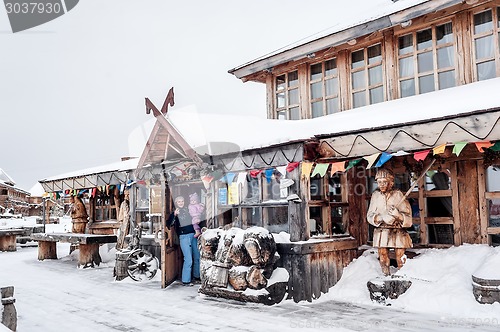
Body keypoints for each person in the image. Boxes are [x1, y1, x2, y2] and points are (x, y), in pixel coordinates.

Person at [367, 168, 413, 276]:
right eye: (379, 182)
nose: (381, 185)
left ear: (391, 182)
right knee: (382, 254)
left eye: (384, 182)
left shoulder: (398, 195)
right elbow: (369, 216)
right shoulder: (375, 196)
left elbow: (409, 218)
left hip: (397, 230)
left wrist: (398, 215)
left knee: (400, 255)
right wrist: (381, 217)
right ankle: (385, 276)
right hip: (382, 230)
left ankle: (403, 276)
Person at [167, 195, 201, 286]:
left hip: (193, 235)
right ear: (176, 203)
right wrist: (174, 215)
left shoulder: (188, 209)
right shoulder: (175, 212)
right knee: (188, 259)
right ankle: (186, 280)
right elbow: (168, 224)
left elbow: (196, 216)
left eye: (182, 201)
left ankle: (197, 277)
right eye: (179, 201)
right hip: (184, 237)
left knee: (197, 257)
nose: (181, 203)